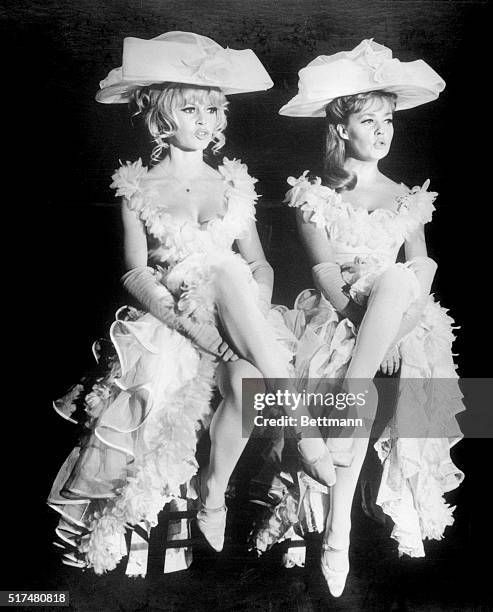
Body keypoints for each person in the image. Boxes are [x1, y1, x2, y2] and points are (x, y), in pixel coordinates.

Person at [47, 31, 335, 576]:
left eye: (213, 107)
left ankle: (215, 492)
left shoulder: (233, 183)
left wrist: (251, 314)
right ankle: (304, 429)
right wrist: (198, 332)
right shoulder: (138, 188)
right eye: (191, 107)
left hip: (237, 318)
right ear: (161, 119)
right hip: (173, 322)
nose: (205, 119)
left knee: (246, 359)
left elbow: (260, 265)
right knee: (222, 298)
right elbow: (135, 271)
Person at [249, 39, 464, 598]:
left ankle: (345, 498)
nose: (384, 131)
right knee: (357, 338)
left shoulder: (405, 195)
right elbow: (323, 272)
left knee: (398, 277)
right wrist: (360, 324)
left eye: (389, 120)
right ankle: (337, 527)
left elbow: (421, 268)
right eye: (371, 120)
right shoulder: (314, 194)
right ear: (342, 128)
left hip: (402, 320)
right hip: (340, 312)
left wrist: (399, 328)